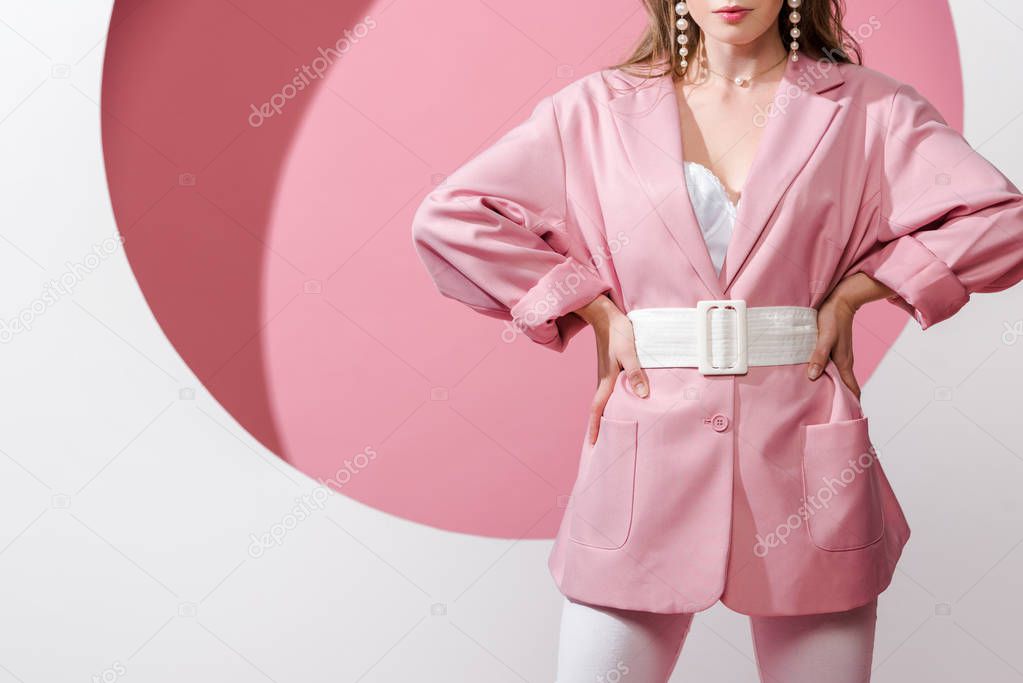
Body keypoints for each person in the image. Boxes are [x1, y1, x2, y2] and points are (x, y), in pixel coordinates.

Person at [411, 1, 1023, 680]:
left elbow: (1002, 219)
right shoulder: (593, 109)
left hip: (803, 445)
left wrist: (862, 288)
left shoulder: (869, 109)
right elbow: (453, 218)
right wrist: (589, 306)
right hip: (644, 449)